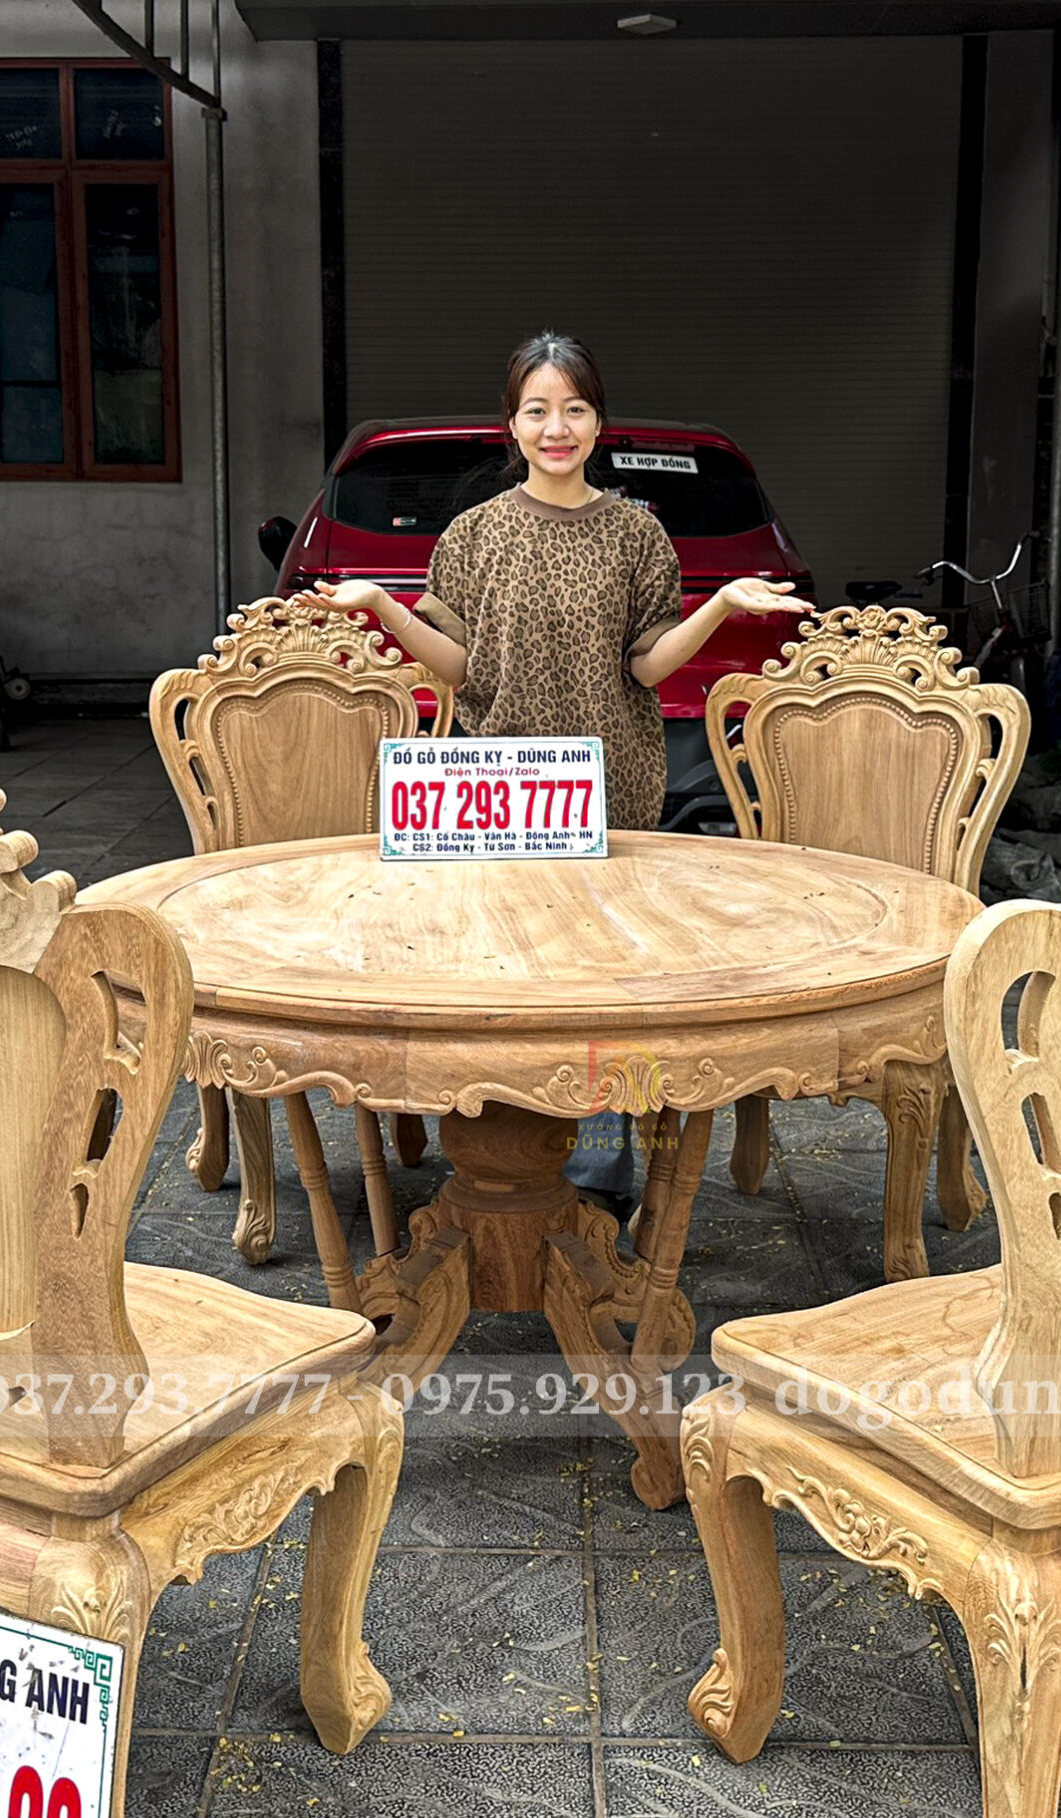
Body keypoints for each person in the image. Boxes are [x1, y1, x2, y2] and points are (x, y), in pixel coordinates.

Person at [296, 332, 812, 1202]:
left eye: (573, 408)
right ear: (513, 424)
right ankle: (499, 1157)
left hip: (608, 792)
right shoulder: (474, 535)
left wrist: (720, 604)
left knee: (606, 986)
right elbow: (459, 669)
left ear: (598, 422)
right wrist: (383, 604)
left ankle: (598, 1172)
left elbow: (648, 666)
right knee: (499, 972)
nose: (556, 427)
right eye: (537, 410)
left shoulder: (636, 535)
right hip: (496, 793)